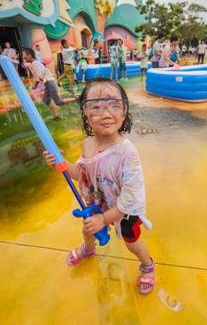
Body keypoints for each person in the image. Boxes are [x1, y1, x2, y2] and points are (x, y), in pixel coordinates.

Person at [43, 78, 155, 295]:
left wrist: (105, 219)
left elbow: (130, 198)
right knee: (88, 230)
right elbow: (82, 174)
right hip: (99, 203)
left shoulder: (127, 153)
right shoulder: (87, 144)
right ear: (85, 112)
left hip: (123, 211)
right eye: (96, 106)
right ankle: (88, 249)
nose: (106, 113)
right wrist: (62, 164)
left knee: (131, 242)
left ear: (124, 112)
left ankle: (147, 265)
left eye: (114, 104)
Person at [23, 47, 76, 119]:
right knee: (46, 100)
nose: (23, 57)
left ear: (29, 55)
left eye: (24, 55)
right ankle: (55, 114)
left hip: (49, 83)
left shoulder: (35, 64)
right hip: (48, 83)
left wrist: (34, 86)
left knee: (58, 102)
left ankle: (77, 99)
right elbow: (30, 67)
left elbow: (39, 78)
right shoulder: (34, 63)